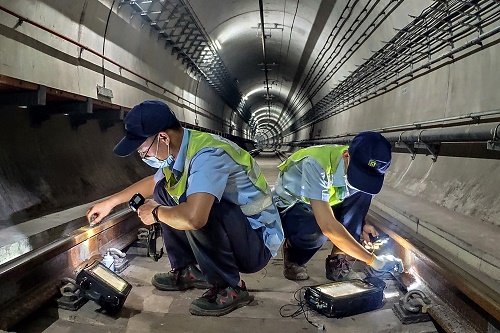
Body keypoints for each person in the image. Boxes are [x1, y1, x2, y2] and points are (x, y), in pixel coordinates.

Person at [87, 100, 283, 316]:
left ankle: (230, 288)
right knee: (164, 190)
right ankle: (187, 269)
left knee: (199, 208)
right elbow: (153, 184)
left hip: (256, 243)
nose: (143, 157)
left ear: (163, 137)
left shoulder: (208, 155)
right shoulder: (179, 148)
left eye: (143, 151)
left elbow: (195, 219)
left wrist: (156, 213)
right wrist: (111, 202)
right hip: (239, 230)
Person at [272, 131, 403, 281]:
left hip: (327, 201)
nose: (361, 181)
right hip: (295, 206)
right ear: (346, 156)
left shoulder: (365, 167)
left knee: (363, 193)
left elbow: (354, 206)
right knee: (317, 232)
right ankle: (294, 256)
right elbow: (328, 226)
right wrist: (373, 260)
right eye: (358, 175)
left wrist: (362, 224)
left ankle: (338, 258)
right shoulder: (315, 163)